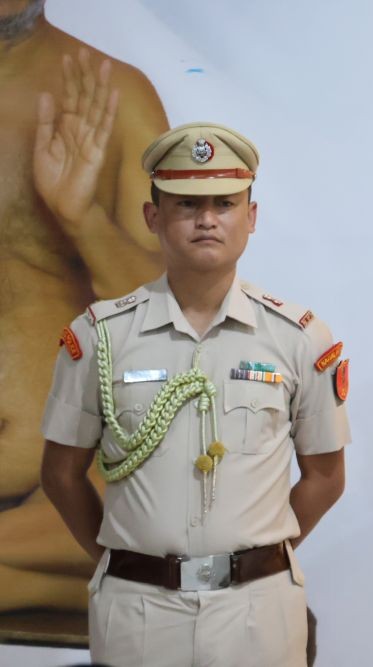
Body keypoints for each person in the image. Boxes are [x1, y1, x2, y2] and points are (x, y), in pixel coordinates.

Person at [40, 122, 351, 666]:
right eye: (186, 204)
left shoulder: (299, 338)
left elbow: (326, 476)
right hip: (138, 612)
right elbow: (61, 473)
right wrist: (122, 560)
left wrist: (254, 559)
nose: (207, 219)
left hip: (256, 611)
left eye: (225, 203)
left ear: (250, 218)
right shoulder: (100, 337)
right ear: (152, 217)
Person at [0, 0, 168, 612]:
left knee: (172, 493)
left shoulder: (113, 96)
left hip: (69, 490)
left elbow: (179, 323)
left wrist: (81, 218)